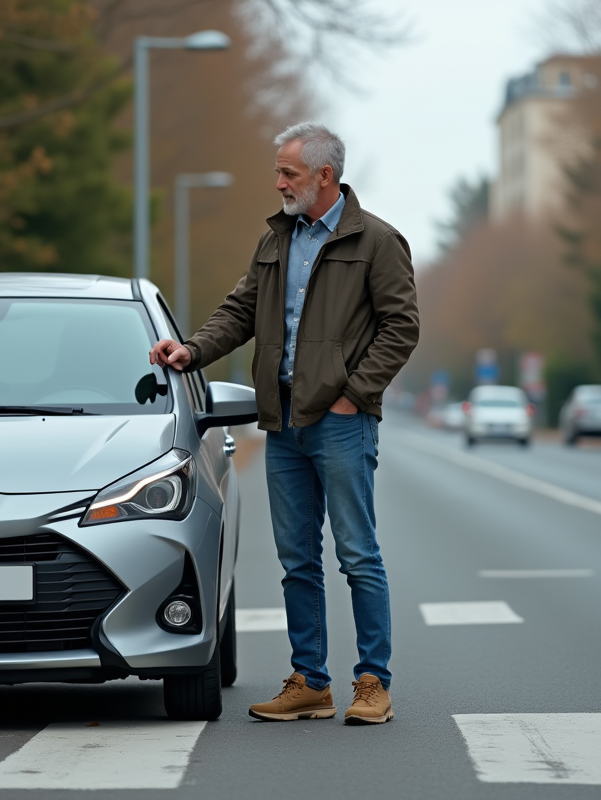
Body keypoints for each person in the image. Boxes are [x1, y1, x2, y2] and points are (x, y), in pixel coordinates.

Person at [149, 122, 418, 724]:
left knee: (357, 555)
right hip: (283, 423)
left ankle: (373, 683)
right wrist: (190, 350)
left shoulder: (376, 241)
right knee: (296, 559)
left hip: (342, 423)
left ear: (325, 176)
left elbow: (402, 327)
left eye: (288, 173)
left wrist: (354, 394)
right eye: (279, 172)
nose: (278, 183)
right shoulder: (276, 240)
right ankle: (311, 682)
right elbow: (241, 310)